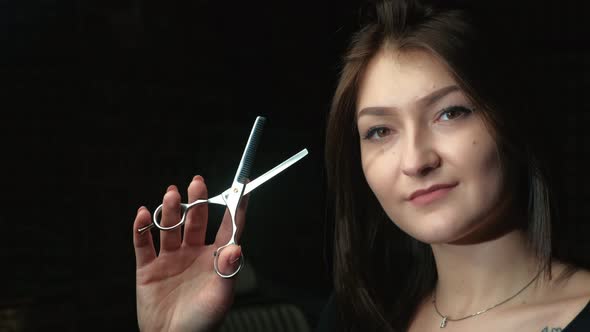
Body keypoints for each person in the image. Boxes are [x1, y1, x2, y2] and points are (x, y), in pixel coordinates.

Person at [133, 0, 590, 331]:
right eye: (380, 131)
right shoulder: (355, 318)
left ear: (510, 118)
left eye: (450, 112)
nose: (415, 160)